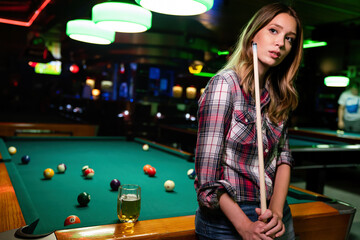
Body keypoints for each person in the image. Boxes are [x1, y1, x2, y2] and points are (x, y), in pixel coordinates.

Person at [194, 2, 303, 240]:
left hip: (276, 213)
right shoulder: (224, 85)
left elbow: (283, 156)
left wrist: (276, 208)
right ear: (254, 33)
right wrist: (244, 226)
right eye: (273, 31)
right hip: (229, 219)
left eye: (290, 38)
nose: (281, 43)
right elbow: (207, 180)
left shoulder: (278, 93)